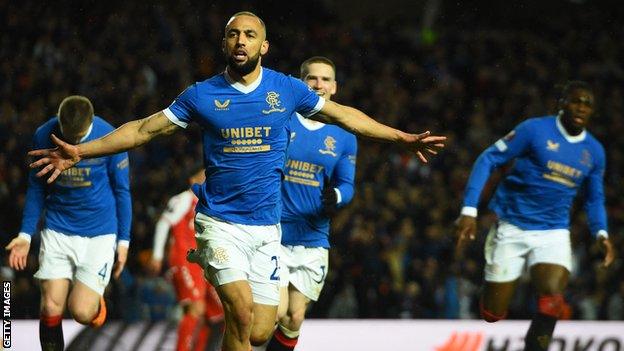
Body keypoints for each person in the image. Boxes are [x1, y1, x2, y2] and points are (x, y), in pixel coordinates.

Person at [28, 12, 446, 351]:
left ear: (263, 46)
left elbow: (344, 116)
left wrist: (400, 137)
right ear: (224, 45)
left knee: (261, 331)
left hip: (267, 230)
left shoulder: (287, 90)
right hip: (219, 223)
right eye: (233, 34)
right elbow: (143, 130)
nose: (241, 40)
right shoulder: (201, 95)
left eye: (250, 34)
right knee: (241, 313)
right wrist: (82, 151)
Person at [456, 81, 615, 351]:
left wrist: (601, 233)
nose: (582, 107)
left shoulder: (595, 152)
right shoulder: (534, 130)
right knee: (492, 314)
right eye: (576, 101)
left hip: (553, 231)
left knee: (553, 298)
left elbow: (594, 197)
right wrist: (469, 210)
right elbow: (488, 159)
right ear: (562, 103)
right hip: (512, 224)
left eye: (588, 104)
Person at [5, 95, 131, 351]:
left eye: (78, 139)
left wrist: (124, 241)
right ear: (59, 123)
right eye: (67, 137)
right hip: (58, 230)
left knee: (82, 312)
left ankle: (95, 303)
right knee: (50, 306)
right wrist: (25, 235)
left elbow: (122, 190)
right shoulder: (43, 135)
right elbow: (36, 188)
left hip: (99, 233)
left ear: (90, 126)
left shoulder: (109, 135)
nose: (72, 144)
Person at [266, 56, 357, 351]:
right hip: (274, 233)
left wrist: (337, 197)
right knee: (274, 314)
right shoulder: (283, 118)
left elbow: (347, 184)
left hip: (313, 238)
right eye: (312, 78)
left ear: (335, 87)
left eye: (325, 79)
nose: (319, 84)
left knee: (294, 317)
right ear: (301, 83)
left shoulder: (344, 134)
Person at [149, 167, 224, 351]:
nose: (208, 179)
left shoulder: (210, 205)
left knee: (217, 311)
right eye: (203, 175)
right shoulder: (183, 199)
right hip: (183, 258)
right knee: (195, 308)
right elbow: (163, 223)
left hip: (203, 262)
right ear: (192, 180)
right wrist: (157, 255)